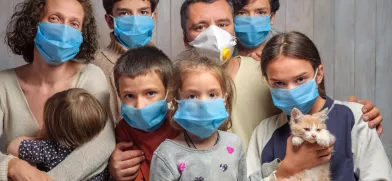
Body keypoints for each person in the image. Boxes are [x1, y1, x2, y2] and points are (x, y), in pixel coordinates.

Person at [179, 0, 383, 152]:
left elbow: (314, 111)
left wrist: (356, 115)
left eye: (223, 24)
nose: (214, 34)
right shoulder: (173, 86)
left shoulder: (267, 75)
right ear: (186, 39)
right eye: (200, 27)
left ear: (234, 31)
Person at [0, 0, 115, 180]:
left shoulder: (92, 76)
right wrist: (12, 166)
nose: (64, 31)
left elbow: (103, 141)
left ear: (82, 35)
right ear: (34, 23)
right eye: (55, 18)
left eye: (74, 24)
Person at [246, 31, 392, 180]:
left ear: (319, 74)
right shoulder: (264, 132)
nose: (291, 91)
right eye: (279, 83)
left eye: (300, 79)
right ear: (267, 82)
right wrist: (286, 170)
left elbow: (378, 176)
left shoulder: (353, 117)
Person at [150, 55, 246, 181]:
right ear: (176, 102)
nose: (203, 104)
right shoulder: (167, 154)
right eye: (192, 96)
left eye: (212, 94)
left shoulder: (234, 144)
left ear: (225, 100)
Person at [7, 88, 109, 181]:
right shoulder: (97, 143)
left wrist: (39, 137)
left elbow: (12, 147)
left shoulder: (49, 149)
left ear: (53, 131)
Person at [113, 46, 181, 181]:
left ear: (168, 92)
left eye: (150, 93)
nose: (139, 106)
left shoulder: (180, 124)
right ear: (119, 95)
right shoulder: (123, 130)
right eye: (129, 96)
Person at [93, 0, 159, 124]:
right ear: (109, 21)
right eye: (124, 13)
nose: (135, 22)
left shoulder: (162, 61)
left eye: (143, 12)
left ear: (153, 17)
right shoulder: (96, 67)